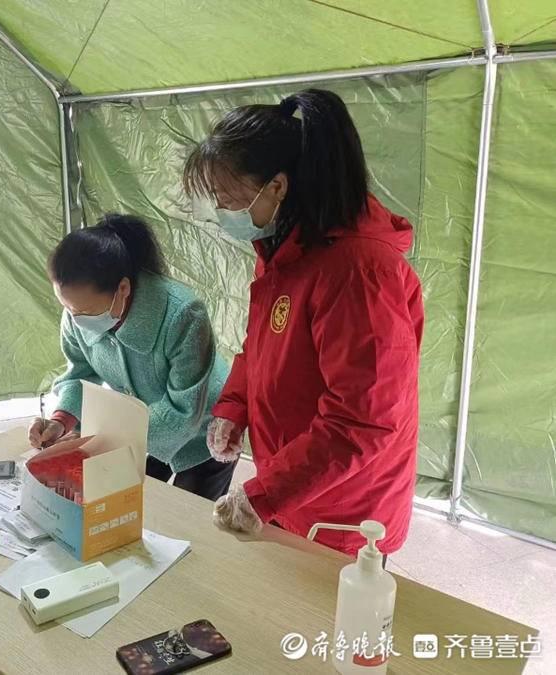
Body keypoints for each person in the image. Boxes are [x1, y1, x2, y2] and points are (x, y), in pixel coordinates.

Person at [183, 89, 423, 556]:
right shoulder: (284, 250)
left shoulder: (358, 271)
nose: (221, 212)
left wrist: (265, 494)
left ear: (277, 186)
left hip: (346, 509)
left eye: (228, 198)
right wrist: (234, 407)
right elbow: (261, 347)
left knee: (337, 603)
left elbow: (363, 419)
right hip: (297, 486)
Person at [28, 214, 233, 501]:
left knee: (186, 513)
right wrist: (60, 420)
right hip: (140, 423)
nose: (76, 319)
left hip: (203, 428)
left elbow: (183, 410)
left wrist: (109, 436)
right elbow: (79, 374)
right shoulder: (76, 312)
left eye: (85, 311)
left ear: (122, 289)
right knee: (132, 503)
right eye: (68, 307)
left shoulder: (184, 314)